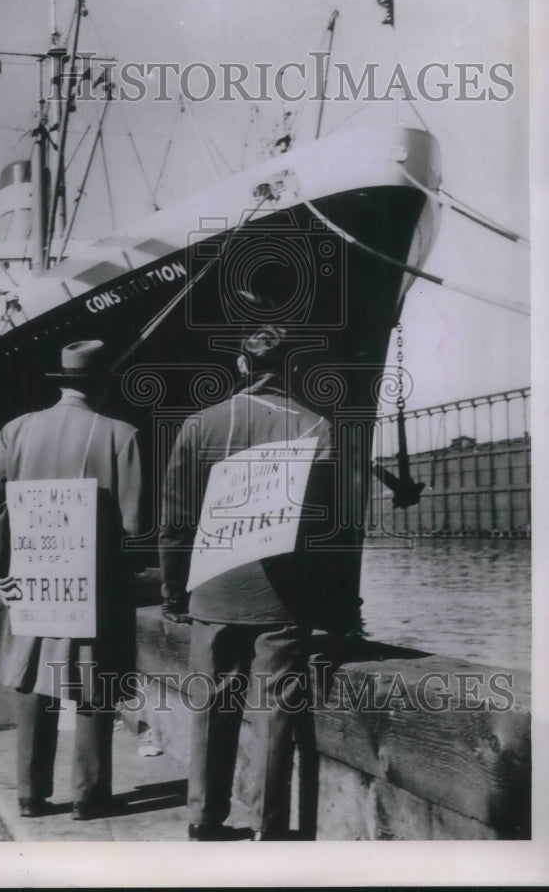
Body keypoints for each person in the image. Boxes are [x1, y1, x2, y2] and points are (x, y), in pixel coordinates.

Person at [159, 326, 333, 841]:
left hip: (212, 590)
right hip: (282, 598)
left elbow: (176, 518)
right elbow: (325, 528)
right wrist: (331, 605)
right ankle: (268, 825)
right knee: (277, 710)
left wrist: (174, 591)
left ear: (240, 366)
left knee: (211, 706)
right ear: (293, 370)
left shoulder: (200, 424)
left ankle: (204, 819)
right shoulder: (315, 426)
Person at [0, 339, 144, 820]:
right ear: (101, 387)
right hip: (96, 583)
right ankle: (90, 796)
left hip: (30, 575)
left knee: (33, 679)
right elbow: (135, 526)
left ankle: (31, 795)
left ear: (64, 381)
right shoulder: (121, 434)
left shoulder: (18, 430)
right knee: (95, 683)